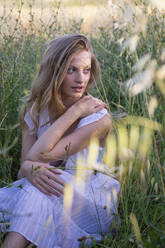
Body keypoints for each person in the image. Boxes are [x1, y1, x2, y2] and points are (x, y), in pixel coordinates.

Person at [0, 34, 120, 248]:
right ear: (54, 71)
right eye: (71, 69)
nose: (81, 79)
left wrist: (75, 111)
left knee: (39, 190)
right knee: (32, 191)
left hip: (92, 203)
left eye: (86, 70)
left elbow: (40, 156)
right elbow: (24, 169)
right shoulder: (34, 112)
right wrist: (29, 167)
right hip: (49, 192)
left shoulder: (98, 118)